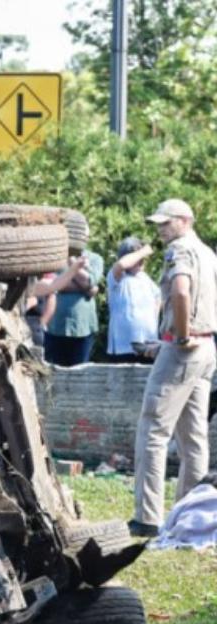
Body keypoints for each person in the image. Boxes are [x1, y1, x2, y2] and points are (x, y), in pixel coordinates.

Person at [131, 198, 217, 538]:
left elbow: (180, 292)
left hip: (185, 346)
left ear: (185, 221)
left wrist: (180, 336)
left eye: (166, 222)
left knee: (152, 430)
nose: (161, 229)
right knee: (193, 437)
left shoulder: (179, 251)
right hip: (208, 345)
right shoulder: (209, 253)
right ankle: (188, 512)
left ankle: (147, 517)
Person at [43, 244, 104, 366]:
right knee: (52, 374)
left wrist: (72, 262)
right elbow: (48, 283)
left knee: (80, 373)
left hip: (83, 327)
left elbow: (88, 281)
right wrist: (87, 288)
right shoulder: (53, 256)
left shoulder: (95, 259)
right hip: (55, 326)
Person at [106, 236, 161, 363]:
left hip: (148, 345)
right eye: (137, 258)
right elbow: (120, 265)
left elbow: (158, 297)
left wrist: (153, 321)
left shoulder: (145, 278)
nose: (141, 261)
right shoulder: (117, 277)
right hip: (122, 347)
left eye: (143, 259)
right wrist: (143, 251)